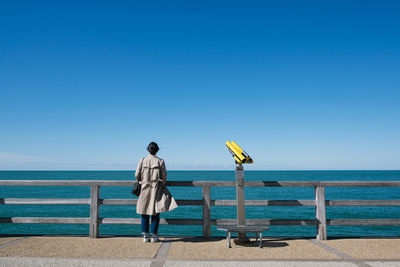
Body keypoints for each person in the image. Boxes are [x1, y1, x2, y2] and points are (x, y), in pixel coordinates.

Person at [135, 142, 170, 243]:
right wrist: (162, 182)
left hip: (144, 188)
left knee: (144, 211)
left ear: (148, 150)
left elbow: (137, 175)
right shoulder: (160, 161)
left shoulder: (142, 160)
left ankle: (145, 236)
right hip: (156, 189)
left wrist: (142, 180)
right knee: (155, 212)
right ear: (157, 150)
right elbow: (164, 176)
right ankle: (154, 236)